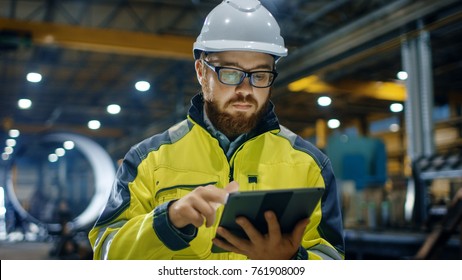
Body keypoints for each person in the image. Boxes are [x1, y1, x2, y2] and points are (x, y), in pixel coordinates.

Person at [89, 0, 345, 260]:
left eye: (259, 75)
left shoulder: (311, 165)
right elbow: (106, 253)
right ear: (201, 72)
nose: (245, 89)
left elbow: (332, 258)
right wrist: (167, 221)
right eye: (231, 73)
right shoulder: (148, 160)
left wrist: (290, 262)